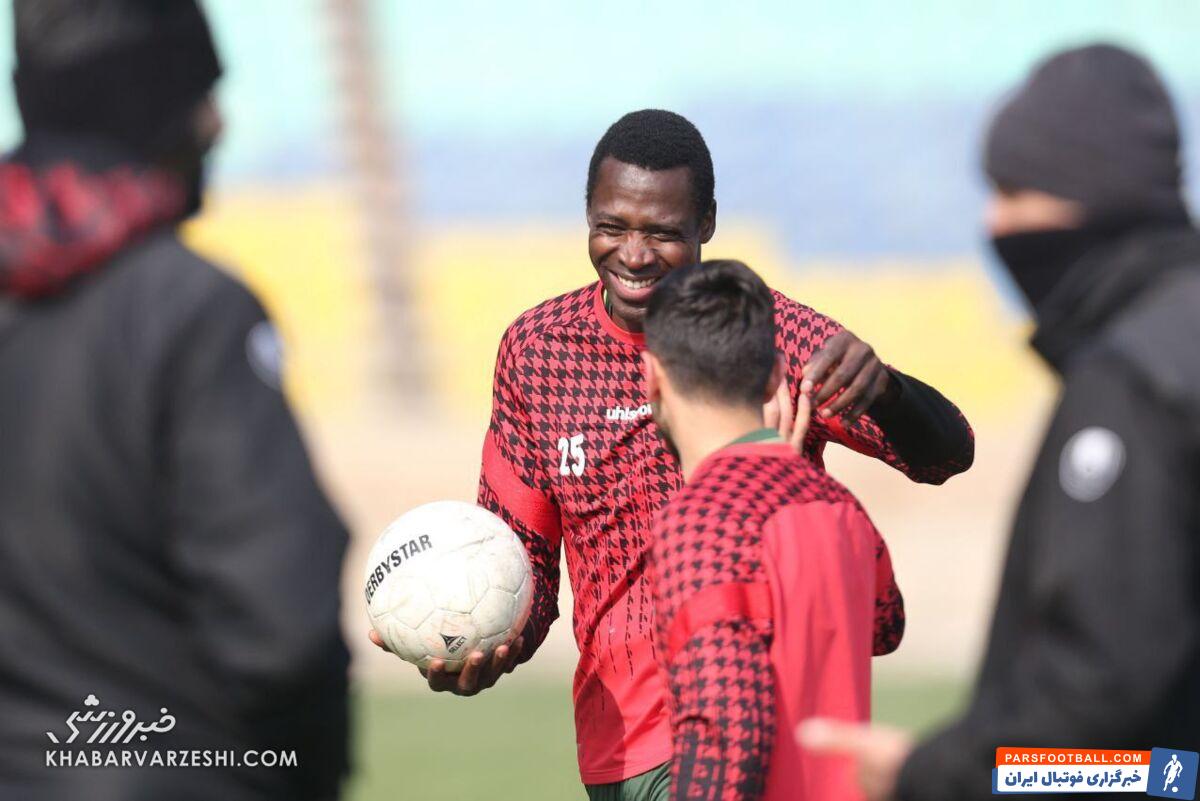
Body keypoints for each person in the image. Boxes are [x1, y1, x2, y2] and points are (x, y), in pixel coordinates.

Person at [372, 109, 975, 798]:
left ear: (706, 222)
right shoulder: (537, 352)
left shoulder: (766, 335)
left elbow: (945, 455)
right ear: (587, 214)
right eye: (612, 226)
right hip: (630, 747)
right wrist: (480, 641)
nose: (633, 254)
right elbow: (519, 565)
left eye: (661, 232)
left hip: (752, 743)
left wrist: (891, 393)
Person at [802, 43, 1200, 801]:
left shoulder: (1134, 382)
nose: (996, 222)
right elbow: (1169, 772)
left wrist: (932, 775)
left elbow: (1098, 699)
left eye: (1014, 192)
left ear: (1089, 187)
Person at [0, 2, 350, 799]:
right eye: (199, 91)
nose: (217, 124)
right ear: (146, 102)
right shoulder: (191, 311)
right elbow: (284, 628)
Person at [643, 259, 903, 801]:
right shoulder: (840, 505)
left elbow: (726, 728)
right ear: (774, 376)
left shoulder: (701, 519)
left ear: (653, 377)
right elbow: (887, 627)